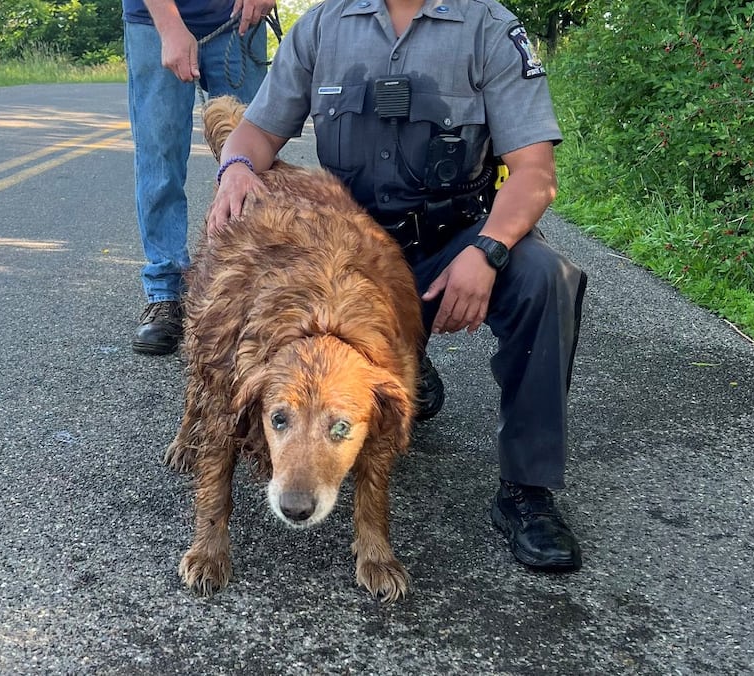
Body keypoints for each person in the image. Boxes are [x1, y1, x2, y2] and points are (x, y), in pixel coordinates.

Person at [206, 0, 588, 571]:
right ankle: (395, 363)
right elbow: (257, 133)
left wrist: (488, 251)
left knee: (545, 278)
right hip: (348, 254)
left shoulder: (488, 27)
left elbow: (534, 173)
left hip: (450, 243)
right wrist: (235, 166)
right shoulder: (321, 27)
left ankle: (526, 492)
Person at [122, 0, 277, 354]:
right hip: (154, 19)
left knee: (257, 150)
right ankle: (165, 292)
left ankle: (260, 289)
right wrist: (169, 25)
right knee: (159, 154)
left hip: (241, 15)